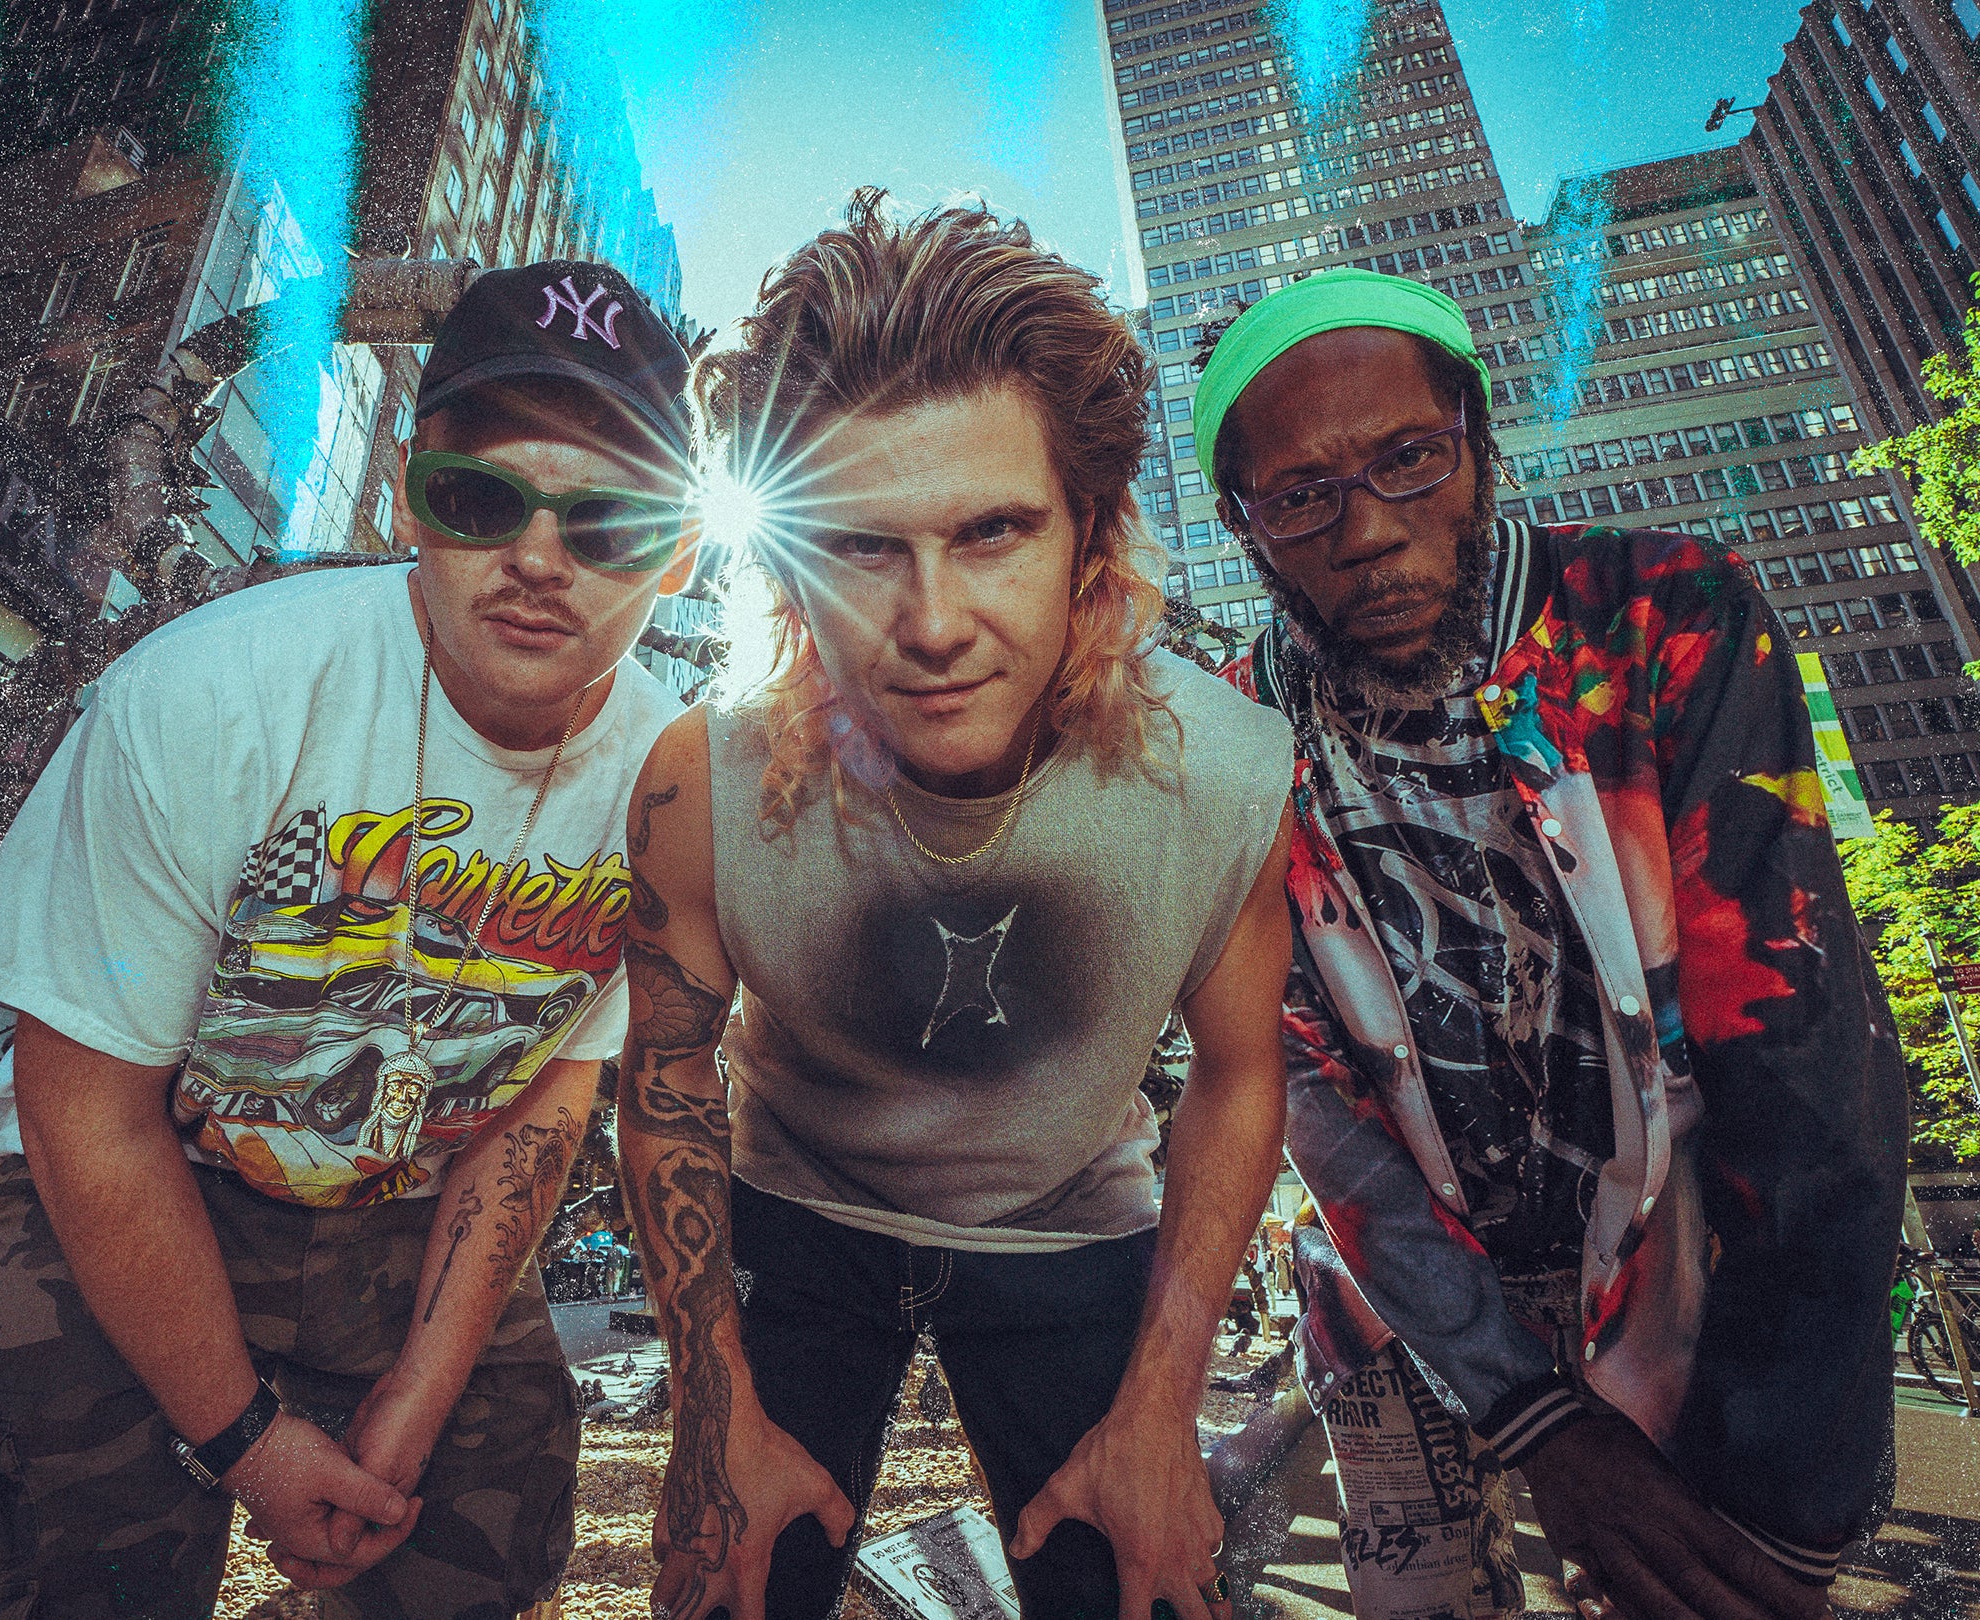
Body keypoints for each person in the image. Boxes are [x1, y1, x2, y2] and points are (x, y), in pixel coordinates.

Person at [0, 261, 701, 1616]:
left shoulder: (674, 789)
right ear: (409, 498)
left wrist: (417, 1395)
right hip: (146, 1170)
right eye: (480, 498)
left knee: (479, 1556)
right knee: (70, 1577)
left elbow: (545, 1102)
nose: (538, 559)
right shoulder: (210, 693)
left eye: (609, 523)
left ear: (680, 556)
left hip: (415, 1203)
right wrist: (249, 1443)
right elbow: (85, 1110)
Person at [616, 191, 1297, 1620]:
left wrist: (1160, 1408)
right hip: (791, 1208)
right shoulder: (701, 781)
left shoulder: (1224, 772)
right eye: (860, 546)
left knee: (1143, 1589)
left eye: (991, 531)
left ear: (1087, 532)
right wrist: (709, 1409)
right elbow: (667, 1074)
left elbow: (1238, 1076)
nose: (930, 623)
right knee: (725, 1587)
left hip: (1072, 1216)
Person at [1199, 269, 1908, 1620]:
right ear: (1243, 525)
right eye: (1299, 497)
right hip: (1395, 1299)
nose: (1367, 531)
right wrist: (1534, 1419)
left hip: (1682, 1273)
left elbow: (1794, 1045)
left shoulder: (1661, 613)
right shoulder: (1230, 743)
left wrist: (1784, 1494)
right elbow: (1309, 1101)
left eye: (1408, 459)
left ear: (1472, 437)